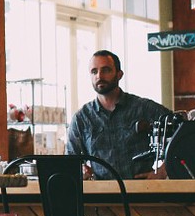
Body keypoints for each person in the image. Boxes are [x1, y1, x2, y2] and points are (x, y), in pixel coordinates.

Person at [67, 49, 171, 180]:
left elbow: (184, 137)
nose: (99, 76)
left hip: (142, 193)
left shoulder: (144, 108)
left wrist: (162, 171)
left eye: (106, 70)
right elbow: (69, 161)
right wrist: (80, 170)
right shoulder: (81, 119)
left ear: (119, 74)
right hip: (101, 196)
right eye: (94, 71)